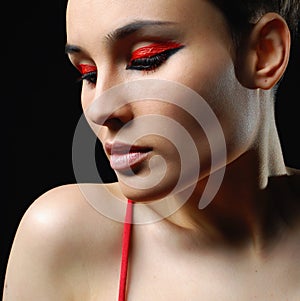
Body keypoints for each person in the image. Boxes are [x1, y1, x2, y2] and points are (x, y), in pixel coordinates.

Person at [3, 0, 300, 300]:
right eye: (88, 74)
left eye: (146, 60)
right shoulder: (63, 236)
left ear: (264, 53)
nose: (100, 110)